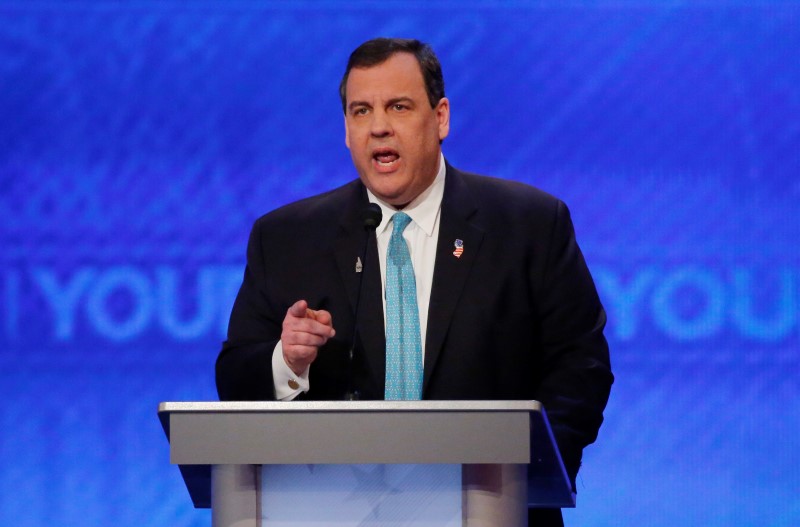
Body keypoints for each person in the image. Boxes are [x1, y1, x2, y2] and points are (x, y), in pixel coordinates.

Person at [216, 37, 613, 526]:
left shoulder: (529, 225)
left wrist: (527, 477)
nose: (378, 127)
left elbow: (581, 365)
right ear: (345, 130)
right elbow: (234, 376)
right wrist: (288, 361)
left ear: (440, 117)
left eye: (398, 106)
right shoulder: (286, 238)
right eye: (361, 111)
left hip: (492, 509)